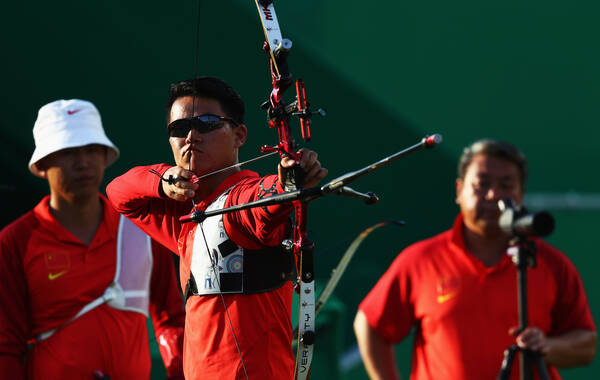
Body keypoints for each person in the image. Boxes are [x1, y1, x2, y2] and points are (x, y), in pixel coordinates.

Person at [106, 76, 328, 379]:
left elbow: (263, 200)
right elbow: (118, 192)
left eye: (207, 123)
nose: (191, 136)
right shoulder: (182, 216)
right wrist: (164, 179)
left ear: (239, 135)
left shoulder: (242, 200)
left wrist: (288, 182)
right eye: (179, 128)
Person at [353, 139, 597, 380]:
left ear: (521, 194)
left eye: (506, 185)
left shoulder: (551, 263)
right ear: (459, 190)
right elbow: (371, 324)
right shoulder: (421, 260)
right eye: (482, 184)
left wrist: (548, 347)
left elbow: (586, 345)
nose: (493, 195)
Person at [0, 99, 186, 380]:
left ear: (105, 156)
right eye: (68, 152)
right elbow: (5, 346)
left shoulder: (142, 227)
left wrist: (178, 372)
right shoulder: (14, 241)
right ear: (41, 164)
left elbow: (171, 320)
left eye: (91, 150)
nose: (83, 162)